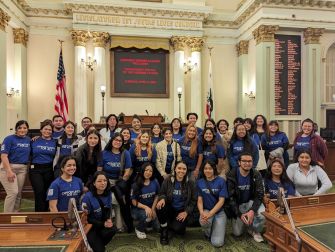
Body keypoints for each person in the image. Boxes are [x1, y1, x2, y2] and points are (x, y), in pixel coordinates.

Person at [226, 152, 265, 243]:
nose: (247, 163)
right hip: (238, 205)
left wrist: (252, 210)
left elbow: (259, 195)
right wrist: (239, 214)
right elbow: (230, 198)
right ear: (239, 162)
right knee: (237, 233)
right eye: (244, 161)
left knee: (262, 214)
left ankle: (254, 230)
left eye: (249, 161)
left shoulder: (256, 174)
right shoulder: (231, 175)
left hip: (251, 202)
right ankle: (244, 221)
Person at [98, 133, 133, 232]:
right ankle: (107, 223)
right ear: (111, 140)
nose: (117, 142)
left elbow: (128, 170)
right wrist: (103, 182)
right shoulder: (104, 153)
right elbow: (99, 170)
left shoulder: (125, 153)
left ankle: (119, 225)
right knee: (107, 200)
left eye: (120, 141)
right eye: (116, 140)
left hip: (119, 181)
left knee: (118, 200)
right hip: (105, 182)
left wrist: (122, 182)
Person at [156, 161, 196, 245]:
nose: (181, 171)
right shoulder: (168, 180)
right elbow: (162, 193)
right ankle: (164, 230)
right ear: (175, 169)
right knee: (159, 206)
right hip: (170, 208)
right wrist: (162, 198)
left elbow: (193, 200)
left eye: (184, 169)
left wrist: (186, 212)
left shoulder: (190, 182)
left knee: (178, 230)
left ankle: (168, 225)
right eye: (179, 168)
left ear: (186, 170)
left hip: (181, 210)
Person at [0, 120, 31, 212]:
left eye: (25, 128)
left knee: (18, 194)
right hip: (8, 168)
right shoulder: (9, 139)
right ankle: (7, 216)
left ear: (27, 129)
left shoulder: (28, 140)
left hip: (22, 169)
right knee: (13, 192)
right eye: (20, 128)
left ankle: (16, 214)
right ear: (16, 129)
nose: (22, 129)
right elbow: (3, 156)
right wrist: (9, 171)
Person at [82, 171, 116, 252]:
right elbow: (86, 219)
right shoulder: (87, 198)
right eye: (99, 181)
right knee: (100, 250)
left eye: (105, 181)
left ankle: (98, 245)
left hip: (101, 224)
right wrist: (102, 224)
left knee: (113, 229)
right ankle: (97, 246)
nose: (103, 183)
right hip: (90, 227)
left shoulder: (108, 194)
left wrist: (108, 219)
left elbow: (108, 209)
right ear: (94, 183)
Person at [197, 160, 228, 247]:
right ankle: (208, 232)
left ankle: (216, 226)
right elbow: (200, 200)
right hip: (206, 210)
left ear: (214, 169)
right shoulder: (200, 182)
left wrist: (211, 214)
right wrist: (202, 213)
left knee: (217, 243)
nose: (208, 171)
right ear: (203, 170)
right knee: (203, 221)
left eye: (210, 168)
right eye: (205, 168)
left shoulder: (221, 181)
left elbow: (221, 201)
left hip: (219, 212)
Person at [30, 121, 57, 211]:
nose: (48, 131)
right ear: (41, 130)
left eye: (50, 129)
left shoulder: (55, 142)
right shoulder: (34, 140)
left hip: (48, 169)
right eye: (45, 129)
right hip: (35, 170)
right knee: (39, 191)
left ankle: (46, 213)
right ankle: (39, 214)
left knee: (47, 192)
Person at [131, 163, 160, 239]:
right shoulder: (136, 184)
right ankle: (139, 229)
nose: (148, 172)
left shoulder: (155, 181)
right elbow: (133, 202)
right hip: (138, 209)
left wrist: (153, 209)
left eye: (150, 171)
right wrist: (146, 208)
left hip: (151, 208)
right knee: (147, 215)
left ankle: (147, 223)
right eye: (146, 170)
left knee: (157, 228)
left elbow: (157, 195)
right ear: (142, 170)